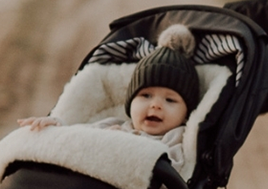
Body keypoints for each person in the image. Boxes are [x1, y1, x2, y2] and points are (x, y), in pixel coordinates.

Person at [18, 27, 201, 172]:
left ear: (186, 113)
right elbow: (77, 136)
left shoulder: (175, 137)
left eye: (170, 100)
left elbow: (175, 169)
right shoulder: (115, 125)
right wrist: (55, 126)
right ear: (130, 103)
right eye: (146, 95)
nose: (155, 105)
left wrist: (125, 145)